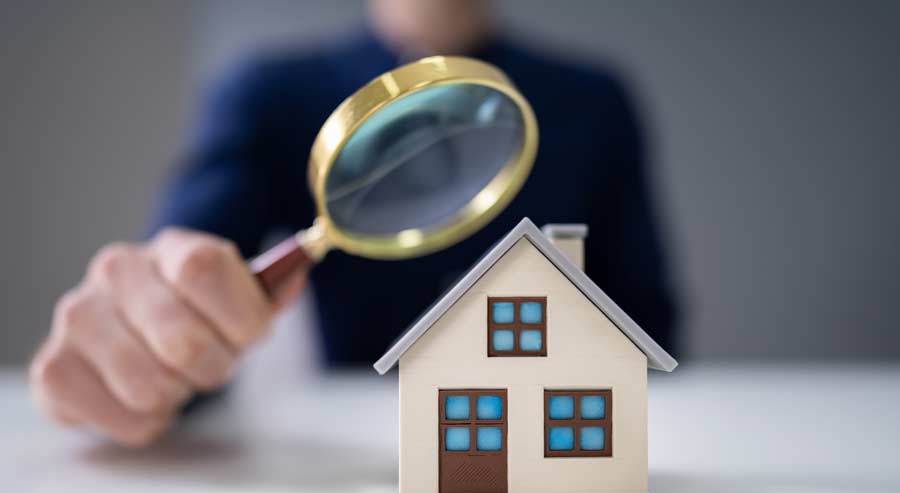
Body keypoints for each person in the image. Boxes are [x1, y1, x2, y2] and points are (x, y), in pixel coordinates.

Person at [28, 0, 679, 447]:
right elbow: (190, 275)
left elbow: (643, 326)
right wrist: (145, 339)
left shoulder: (595, 100)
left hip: (542, 443)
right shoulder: (267, 92)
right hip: (348, 462)